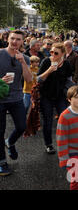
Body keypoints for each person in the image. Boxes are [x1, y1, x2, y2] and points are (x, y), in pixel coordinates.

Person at [0, 30, 32, 176]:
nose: (15, 42)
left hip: (16, 98)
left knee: (21, 126)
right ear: (7, 39)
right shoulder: (0, 54)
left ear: (22, 42)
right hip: (0, 98)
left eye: (18, 39)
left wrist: (23, 62)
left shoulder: (25, 58)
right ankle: (2, 162)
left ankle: (10, 142)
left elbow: (29, 79)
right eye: (12, 39)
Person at [37, 42, 72, 154]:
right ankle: (49, 144)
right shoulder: (46, 61)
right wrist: (50, 70)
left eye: (56, 52)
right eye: (51, 52)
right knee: (48, 121)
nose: (53, 54)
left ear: (62, 53)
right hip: (46, 96)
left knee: (64, 119)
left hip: (60, 96)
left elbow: (69, 79)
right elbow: (38, 79)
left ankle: (63, 143)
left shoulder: (66, 64)